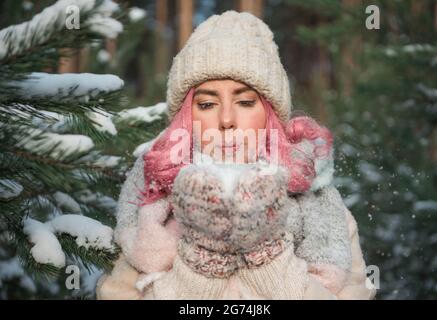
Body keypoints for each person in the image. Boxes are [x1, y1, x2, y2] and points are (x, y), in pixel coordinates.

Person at [96, 10, 376, 300]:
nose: (226, 119)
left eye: (244, 101)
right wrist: (202, 260)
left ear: (269, 112)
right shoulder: (150, 204)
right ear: (185, 116)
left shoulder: (320, 204)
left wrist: (265, 253)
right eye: (206, 104)